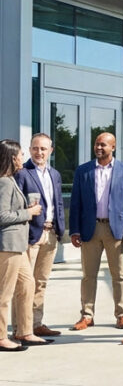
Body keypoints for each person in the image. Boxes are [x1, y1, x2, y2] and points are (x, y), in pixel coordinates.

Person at [68, 132, 123, 331]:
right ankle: (87, 315)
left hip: (116, 230)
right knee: (88, 275)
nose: (99, 148)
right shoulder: (83, 171)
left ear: (113, 147)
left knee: (119, 275)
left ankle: (122, 315)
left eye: (103, 145)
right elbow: (76, 203)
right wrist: (74, 230)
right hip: (90, 230)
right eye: (96, 145)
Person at [14, 133, 65, 337]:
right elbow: (15, 204)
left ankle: (36, 323)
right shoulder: (22, 173)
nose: (39, 152)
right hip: (30, 234)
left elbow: (58, 203)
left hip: (50, 233)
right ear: (30, 149)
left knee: (41, 281)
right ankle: (20, 328)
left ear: (50, 151)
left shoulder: (55, 174)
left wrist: (60, 229)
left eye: (44, 149)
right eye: (35, 148)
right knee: (24, 284)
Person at [0, 139, 46, 351]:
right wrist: (28, 213)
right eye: (19, 155)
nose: (22, 158)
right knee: (4, 292)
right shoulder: (4, 182)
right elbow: (2, 215)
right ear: (11, 157)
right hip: (8, 245)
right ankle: (1, 337)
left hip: (17, 245)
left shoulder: (10, 180)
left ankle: (24, 331)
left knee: (27, 285)